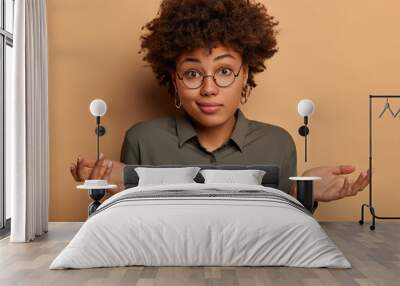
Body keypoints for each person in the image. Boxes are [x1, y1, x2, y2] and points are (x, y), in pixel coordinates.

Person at [70, 0, 369, 211]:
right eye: (192, 73)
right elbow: (131, 221)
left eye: (224, 71)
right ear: (173, 79)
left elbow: (281, 222)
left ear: (246, 75)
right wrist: (109, 194)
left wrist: (304, 191)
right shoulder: (142, 139)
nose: (209, 89)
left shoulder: (278, 143)